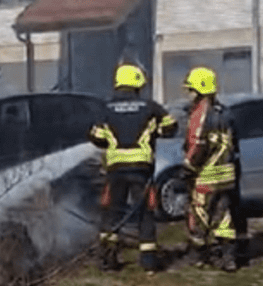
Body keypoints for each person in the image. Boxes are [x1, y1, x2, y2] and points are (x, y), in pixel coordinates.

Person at [88, 63, 178, 273]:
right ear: (137, 83)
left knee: (112, 212)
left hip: (115, 170)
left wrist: (112, 142)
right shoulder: (150, 107)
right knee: (145, 213)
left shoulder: (105, 109)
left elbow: (95, 137)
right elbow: (171, 128)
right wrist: (153, 132)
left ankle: (108, 262)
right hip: (141, 169)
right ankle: (148, 263)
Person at [181, 66, 241, 272]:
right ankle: (229, 258)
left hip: (206, 176)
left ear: (199, 90)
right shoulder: (225, 112)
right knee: (223, 217)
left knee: (199, 215)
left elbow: (197, 144)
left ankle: (198, 256)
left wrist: (188, 167)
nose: (189, 95)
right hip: (226, 176)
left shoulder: (200, 113)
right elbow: (235, 145)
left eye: (191, 90)